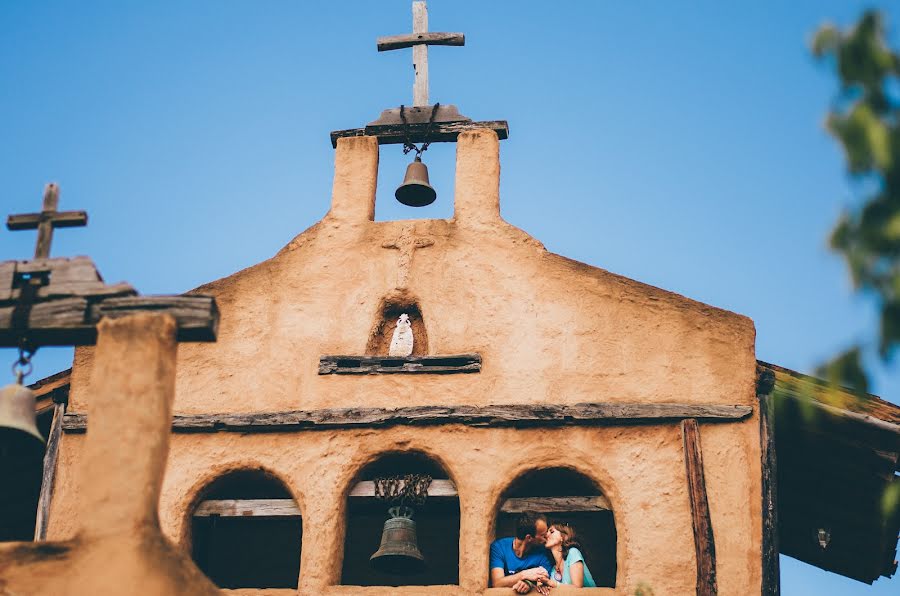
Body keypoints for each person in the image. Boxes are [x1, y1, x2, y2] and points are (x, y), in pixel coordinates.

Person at [489, 511, 554, 593]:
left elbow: (542, 581)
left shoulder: (543, 552)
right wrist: (524, 575)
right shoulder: (499, 547)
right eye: (543, 535)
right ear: (529, 538)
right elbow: (497, 583)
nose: (547, 537)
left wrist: (528, 583)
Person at [544, 522, 597, 588]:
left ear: (563, 537)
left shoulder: (573, 553)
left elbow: (577, 588)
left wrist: (552, 583)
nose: (546, 535)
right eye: (546, 532)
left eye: (551, 532)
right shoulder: (554, 569)